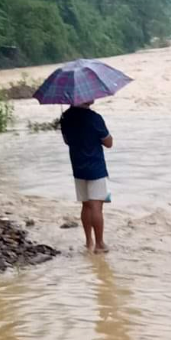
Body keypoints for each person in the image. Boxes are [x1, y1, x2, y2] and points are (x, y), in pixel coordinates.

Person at [60, 100, 113, 253]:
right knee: (97, 206)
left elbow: (66, 141)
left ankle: (89, 241)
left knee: (86, 205)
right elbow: (108, 142)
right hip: (95, 167)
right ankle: (100, 244)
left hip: (77, 166)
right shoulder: (94, 118)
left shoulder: (66, 117)